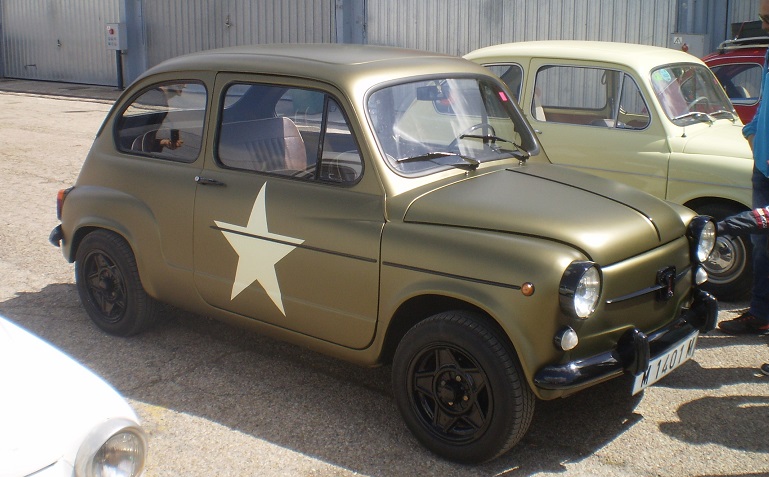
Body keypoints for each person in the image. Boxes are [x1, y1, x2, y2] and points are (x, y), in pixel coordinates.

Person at [717, 1, 769, 337]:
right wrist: (751, 135)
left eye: (768, 19)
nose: (764, 27)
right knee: (761, 244)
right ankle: (760, 314)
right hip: (763, 168)